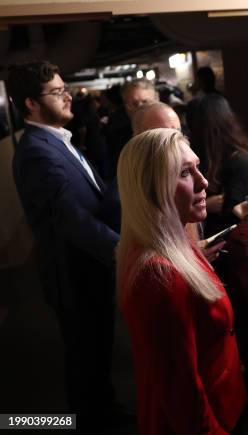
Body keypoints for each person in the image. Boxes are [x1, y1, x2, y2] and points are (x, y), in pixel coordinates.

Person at [8, 60, 123, 426]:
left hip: (89, 265)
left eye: (64, 88)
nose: (68, 95)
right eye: (57, 92)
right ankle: (91, 421)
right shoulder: (37, 151)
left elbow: (96, 196)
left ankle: (103, 409)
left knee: (98, 348)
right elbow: (68, 217)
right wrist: (119, 247)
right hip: (73, 272)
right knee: (85, 355)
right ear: (30, 103)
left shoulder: (59, 140)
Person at [116, 128, 246, 435]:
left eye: (197, 168)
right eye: (186, 173)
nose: (204, 183)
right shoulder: (159, 277)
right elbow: (182, 395)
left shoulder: (179, 240)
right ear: (151, 189)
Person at [186, 93, 248, 392]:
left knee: (243, 305)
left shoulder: (238, 157)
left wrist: (213, 204)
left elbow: (235, 204)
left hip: (234, 241)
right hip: (214, 239)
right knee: (223, 307)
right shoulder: (204, 156)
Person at [106, 79, 157, 180]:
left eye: (145, 102)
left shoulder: (171, 127)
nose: (140, 108)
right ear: (125, 106)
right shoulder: (116, 136)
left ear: (156, 101)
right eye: (133, 104)